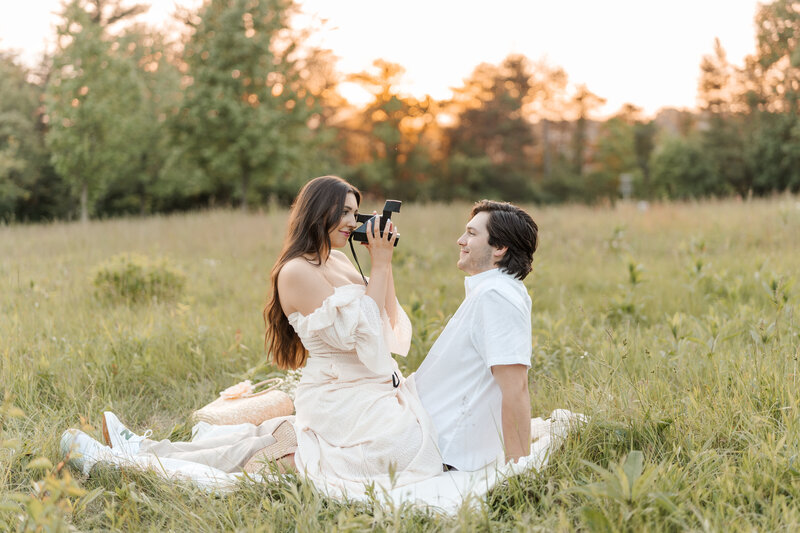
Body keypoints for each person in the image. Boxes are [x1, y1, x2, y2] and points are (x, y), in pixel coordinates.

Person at [61, 176, 443, 490]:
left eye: (355, 213)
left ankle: (143, 446)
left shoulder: (341, 260)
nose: (352, 221)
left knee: (265, 442)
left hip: (365, 393)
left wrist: (384, 263)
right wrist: (380, 264)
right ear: (316, 212)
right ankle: (128, 459)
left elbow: (387, 324)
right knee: (266, 458)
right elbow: (362, 335)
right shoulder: (297, 271)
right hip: (340, 400)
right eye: (343, 212)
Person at [413, 200, 538, 472]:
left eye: (471, 233)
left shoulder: (496, 296)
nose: (460, 240)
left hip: (441, 444)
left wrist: (518, 471)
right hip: (424, 427)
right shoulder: (490, 290)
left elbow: (516, 387)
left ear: (499, 248)